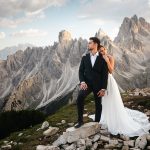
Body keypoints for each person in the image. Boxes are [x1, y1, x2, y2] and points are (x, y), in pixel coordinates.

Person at [88, 45, 150, 137]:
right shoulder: (98, 59)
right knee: (105, 100)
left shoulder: (110, 57)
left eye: (103, 50)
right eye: (100, 51)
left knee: (113, 99)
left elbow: (111, 70)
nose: (102, 52)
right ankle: (107, 116)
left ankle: (116, 118)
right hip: (102, 82)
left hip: (110, 81)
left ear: (106, 50)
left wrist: (106, 60)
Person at [74, 37, 109, 128]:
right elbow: (81, 71)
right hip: (87, 84)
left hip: (98, 85)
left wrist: (103, 88)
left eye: (90, 43)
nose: (88, 44)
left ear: (95, 44)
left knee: (98, 104)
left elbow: (105, 75)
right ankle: (80, 121)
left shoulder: (102, 58)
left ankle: (97, 122)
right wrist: (82, 82)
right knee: (80, 97)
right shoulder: (85, 57)